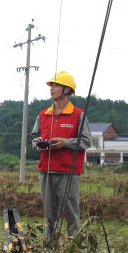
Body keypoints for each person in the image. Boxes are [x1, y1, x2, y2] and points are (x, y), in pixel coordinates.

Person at [31, 71, 91, 240]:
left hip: (68, 172)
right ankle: (50, 250)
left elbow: (86, 141)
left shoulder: (78, 114)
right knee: (49, 215)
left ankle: (76, 251)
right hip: (46, 171)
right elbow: (34, 135)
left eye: (56, 85)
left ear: (66, 90)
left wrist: (65, 143)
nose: (52, 89)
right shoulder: (43, 114)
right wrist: (37, 142)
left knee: (71, 215)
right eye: (51, 86)